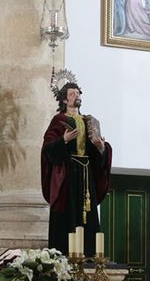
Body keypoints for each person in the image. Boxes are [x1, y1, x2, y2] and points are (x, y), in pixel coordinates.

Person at [41, 81, 111, 256]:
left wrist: (101, 147)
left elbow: (98, 157)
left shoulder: (89, 121)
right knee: (67, 213)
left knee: (88, 213)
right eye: (72, 93)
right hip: (68, 176)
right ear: (64, 100)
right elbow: (48, 149)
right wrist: (63, 140)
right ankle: (63, 254)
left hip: (86, 175)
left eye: (78, 93)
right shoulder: (59, 120)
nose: (77, 95)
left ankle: (88, 255)